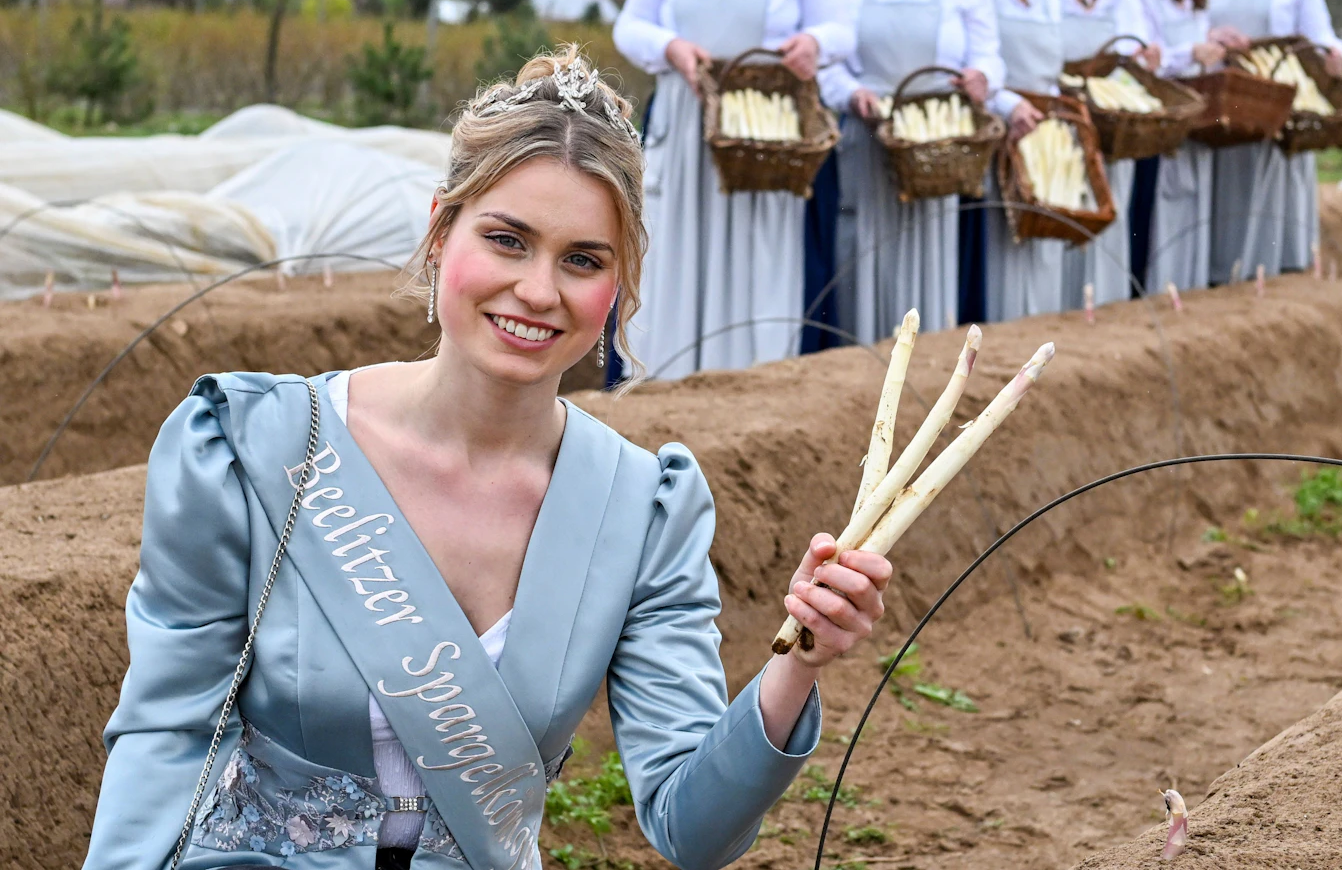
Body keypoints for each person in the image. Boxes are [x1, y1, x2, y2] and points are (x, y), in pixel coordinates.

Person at [84, 48, 893, 870]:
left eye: (583, 259)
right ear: (440, 231)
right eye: (508, 240)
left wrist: (801, 663)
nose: (539, 290)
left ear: (619, 283)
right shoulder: (254, 447)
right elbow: (163, 735)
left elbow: (691, 826)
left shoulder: (642, 509)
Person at [614, 0, 852, 379]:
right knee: (676, 241)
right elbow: (630, 25)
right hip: (688, 115)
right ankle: (666, 368)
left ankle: (757, 369)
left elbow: (842, 29)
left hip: (765, 128)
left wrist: (813, 43)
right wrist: (671, 47)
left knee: (760, 243)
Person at [821, 0, 1001, 343]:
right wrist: (850, 94)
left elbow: (988, 57)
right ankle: (858, 347)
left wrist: (983, 78)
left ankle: (927, 350)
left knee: (930, 241)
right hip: (868, 130)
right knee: (864, 239)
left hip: (938, 140)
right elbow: (830, 61)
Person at [1206, 0, 1342, 280]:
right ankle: (1218, 272)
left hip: (1275, 109)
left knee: (1267, 191)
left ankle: (1270, 272)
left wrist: (1333, 53)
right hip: (1219, 105)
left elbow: (1320, 35)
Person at [975, 0, 1078, 321]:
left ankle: (1042, 323)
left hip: (1043, 127)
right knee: (1000, 232)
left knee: (1043, 224)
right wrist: (1006, 103)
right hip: (1001, 120)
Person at [1055, 0, 1153, 309]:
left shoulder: (1125, 0)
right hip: (1061, 123)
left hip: (1112, 128)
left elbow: (1135, 55)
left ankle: (1103, 304)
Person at [1137, 0, 1224, 295]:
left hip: (1197, 109)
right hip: (1163, 109)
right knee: (1161, 201)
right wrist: (1189, 53)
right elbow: (1147, 56)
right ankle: (1157, 285)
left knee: (1193, 196)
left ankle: (1187, 284)